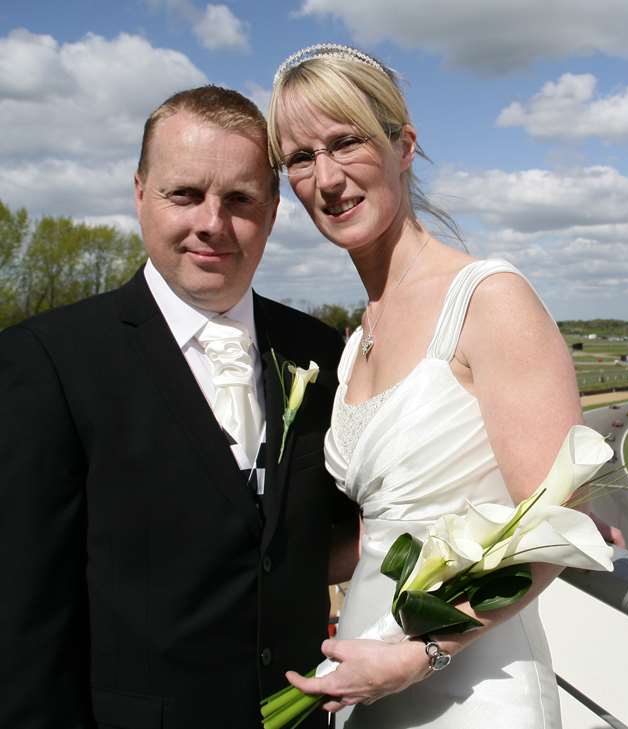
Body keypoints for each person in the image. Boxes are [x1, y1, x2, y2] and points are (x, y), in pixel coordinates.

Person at [267, 45, 620, 728]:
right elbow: (375, 530)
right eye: (301, 159)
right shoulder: (355, 336)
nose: (328, 178)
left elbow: (550, 524)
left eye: (346, 142)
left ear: (403, 145)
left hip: (470, 688)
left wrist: (424, 650)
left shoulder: (488, 299)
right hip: (364, 678)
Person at [0, 86, 359, 728]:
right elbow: (24, 617)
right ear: (140, 193)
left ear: (274, 211)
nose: (212, 224)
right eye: (184, 194)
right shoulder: (45, 361)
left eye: (241, 200)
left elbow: (329, 535)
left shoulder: (318, 351)